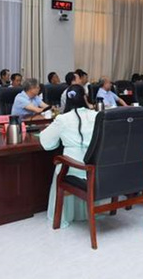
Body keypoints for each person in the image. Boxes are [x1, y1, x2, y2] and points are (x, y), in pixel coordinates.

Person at [39, 85, 98, 227]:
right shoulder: (97, 115)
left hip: (74, 168)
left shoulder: (63, 119)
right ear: (85, 98)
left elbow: (47, 143)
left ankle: (65, 214)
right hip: (96, 167)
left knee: (61, 165)